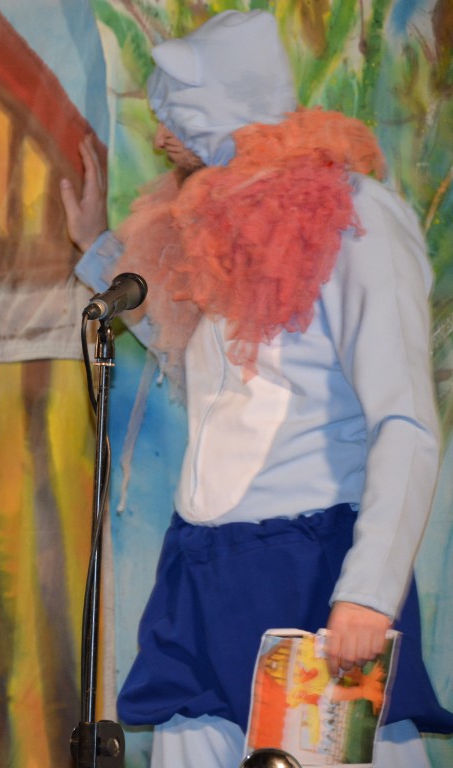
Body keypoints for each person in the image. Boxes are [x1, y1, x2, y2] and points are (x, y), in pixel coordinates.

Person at [59, 10, 453, 766]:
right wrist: (98, 251)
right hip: (201, 566)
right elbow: (204, 366)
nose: (161, 138)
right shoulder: (221, 229)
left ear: (223, 110)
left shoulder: (357, 219)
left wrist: (368, 590)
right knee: (190, 743)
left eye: (177, 118)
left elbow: (403, 419)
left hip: (309, 564)